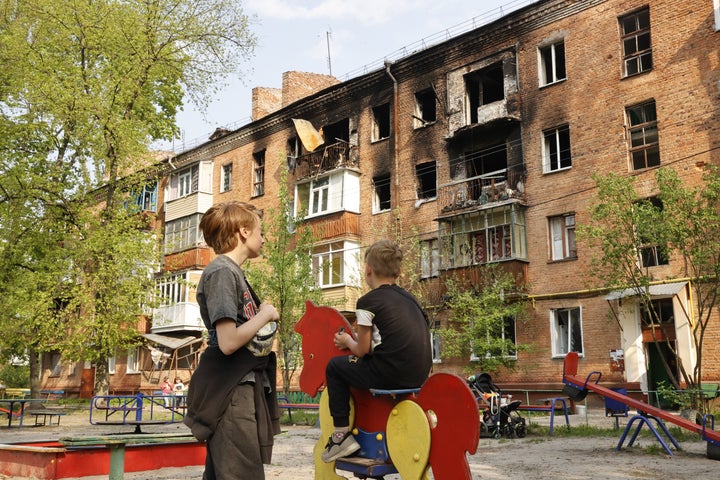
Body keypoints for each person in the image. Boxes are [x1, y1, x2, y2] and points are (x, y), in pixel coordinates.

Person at [183, 201, 281, 480]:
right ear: (244, 232)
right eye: (260, 231)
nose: (264, 239)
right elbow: (227, 341)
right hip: (230, 390)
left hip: (238, 385)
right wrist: (265, 315)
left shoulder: (232, 273)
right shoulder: (222, 272)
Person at [321, 239, 433, 462]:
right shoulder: (411, 299)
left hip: (390, 373)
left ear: (368, 269)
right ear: (399, 271)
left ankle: (341, 435)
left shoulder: (367, 302)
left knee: (335, 367)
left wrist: (346, 340)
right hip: (420, 374)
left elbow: (361, 350)